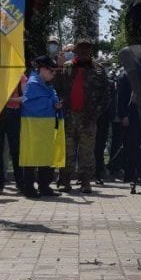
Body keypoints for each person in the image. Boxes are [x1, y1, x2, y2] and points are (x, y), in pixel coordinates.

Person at [55, 39, 107, 194]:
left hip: (88, 116)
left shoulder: (98, 69)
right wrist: (59, 67)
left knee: (87, 151)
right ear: (76, 50)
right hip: (69, 115)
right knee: (67, 149)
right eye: (81, 48)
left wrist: (95, 113)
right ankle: (65, 180)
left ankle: (86, 181)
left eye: (87, 49)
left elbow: (105, 95)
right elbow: (57, 88)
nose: (84, 52)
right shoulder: (66, 67)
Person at [19, 55, 64, 198]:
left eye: (55, 72)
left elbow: (52, 98)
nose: (54, 74)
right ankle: (29, 187)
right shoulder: (32, 84)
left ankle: (44, 186)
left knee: (46, 156)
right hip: (33, 125)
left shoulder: (47, 85)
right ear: (42, 69)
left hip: (46, 125)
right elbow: (31, 105)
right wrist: (52, 103)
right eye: (52, 71)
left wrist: (56, 103)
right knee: (31, 156)